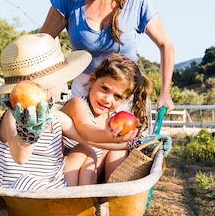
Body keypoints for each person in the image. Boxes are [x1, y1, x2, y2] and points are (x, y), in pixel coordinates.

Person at [39, 0, 175, 113]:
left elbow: (166, 45)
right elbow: (41, 45)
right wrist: (49, 82)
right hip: (83, 93)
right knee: (81, 142)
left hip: (123, 95)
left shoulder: (138, 2)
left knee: (122, 141)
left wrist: (165, 93)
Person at [0, 33, 100, 190]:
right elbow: (19, 157)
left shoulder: (54, 116)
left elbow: (87, 138)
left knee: (85, 150)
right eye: (63, 79)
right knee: (27, 182)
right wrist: (26, 136)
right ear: (50, 86)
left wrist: (120, 140)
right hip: (18, 192)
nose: (65, 84)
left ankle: (80, 205)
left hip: (52, 187)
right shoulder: (12, 117)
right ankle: (63, 207)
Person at [61, 53, 153, 183]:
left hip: (90, 176)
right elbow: (87, 132)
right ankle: (84, 200)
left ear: (124, 100)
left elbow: (115, 147)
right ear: (92, 80)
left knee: (118, 150)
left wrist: (136, 143)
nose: (107, 100)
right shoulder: (78, 104)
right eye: (104, 89)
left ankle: (111, 191)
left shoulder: (112, 120)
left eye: (117, 97)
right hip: (64, 174)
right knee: (85, 150)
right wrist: (109, 137)